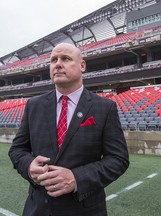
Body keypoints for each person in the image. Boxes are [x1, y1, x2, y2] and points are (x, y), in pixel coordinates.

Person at [8, 43, 129, 216]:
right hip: (37, 209)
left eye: (65, 58)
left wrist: (76, 178)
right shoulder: (34, 105)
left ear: (82, 66)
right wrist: (28, 166)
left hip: (85, 210)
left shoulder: (105, 107)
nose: (58, 64)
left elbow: (118, 159)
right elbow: (17, 149)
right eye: (53, 60)